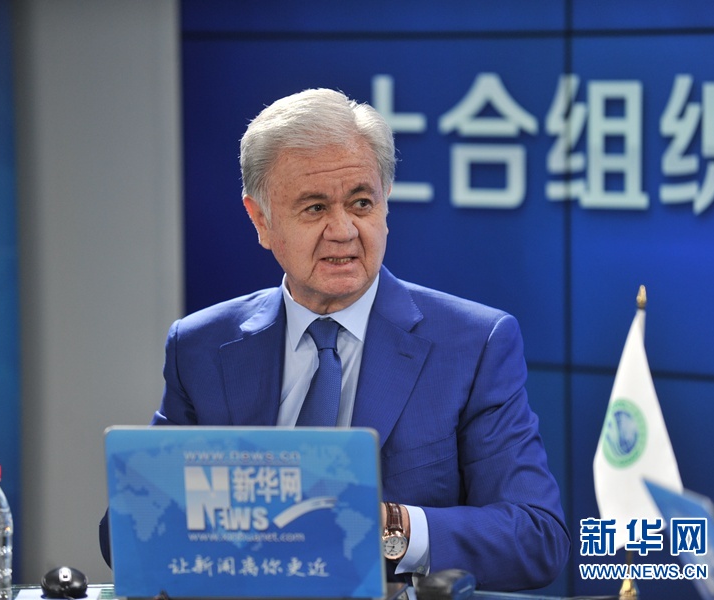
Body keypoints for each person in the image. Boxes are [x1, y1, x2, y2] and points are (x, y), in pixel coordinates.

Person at [100, 88, 569, 591]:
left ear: (386, 204)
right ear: (261, 220)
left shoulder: (474, 345)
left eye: (361, 203)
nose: (343, 230)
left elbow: (537, 537)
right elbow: (127, 532)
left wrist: (390, 526)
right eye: (315, 207)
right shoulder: (201, 347)